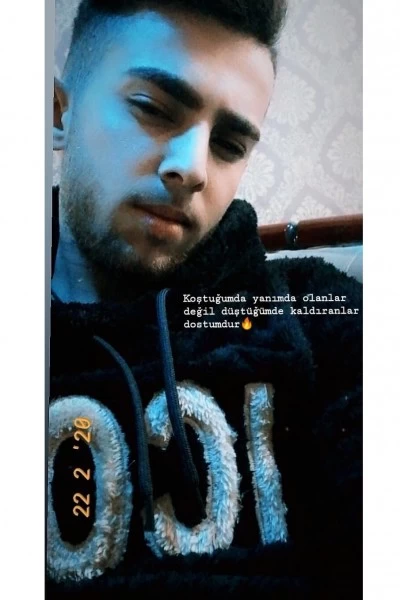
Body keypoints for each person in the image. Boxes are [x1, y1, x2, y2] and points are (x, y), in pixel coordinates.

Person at [47, 1, 362, 598]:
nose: (193, 169)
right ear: (59, 114)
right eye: (153, 109)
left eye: (230, 144)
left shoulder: (313, 309)